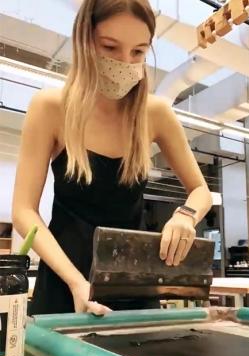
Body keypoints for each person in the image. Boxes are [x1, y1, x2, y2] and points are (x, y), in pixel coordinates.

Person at [12, 0, 212, 315]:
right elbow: (24, 211)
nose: (124, 62)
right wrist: (76, 282)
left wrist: (186, 216)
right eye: (110, 47)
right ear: (85, 40)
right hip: (66, 286)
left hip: (134, 285)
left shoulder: (155, 113)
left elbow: (201, 191)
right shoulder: (50, 108)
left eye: (138, 52)